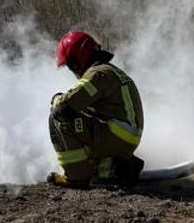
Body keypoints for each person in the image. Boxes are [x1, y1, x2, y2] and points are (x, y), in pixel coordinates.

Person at [47, 31, 146, 188]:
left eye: (70, 66)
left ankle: (76, 176)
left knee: (59, 116)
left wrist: (55, 99)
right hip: (124, 136)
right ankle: (115, 168)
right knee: (81, 115)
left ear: (76, 61)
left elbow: (65, 106)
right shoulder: (109, 71)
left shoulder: (97, 74)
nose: (72, 72)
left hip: (116, 136)